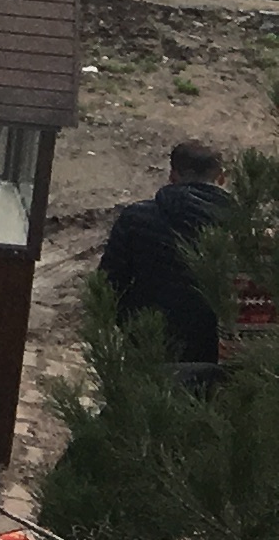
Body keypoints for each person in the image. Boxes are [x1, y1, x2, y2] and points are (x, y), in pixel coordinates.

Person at [97, 140, 235, 370]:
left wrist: (131, 323)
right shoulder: (242, 227)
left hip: (149, 339)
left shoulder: (136, 219)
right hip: (215, 349)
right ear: (221, 177)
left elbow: (108, 284)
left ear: (173, 175)